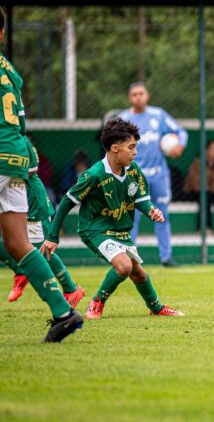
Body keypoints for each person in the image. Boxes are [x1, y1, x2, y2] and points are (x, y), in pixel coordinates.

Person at [41, 118, 183, 319]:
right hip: (95, 229)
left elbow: (141, 199)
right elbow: (66, 202)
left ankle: (156, 307)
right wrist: (53, 236)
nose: (135, 152)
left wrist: (151, 210)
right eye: (131, 147)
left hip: (120, 230)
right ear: (115, 148)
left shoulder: (133, 170)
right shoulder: (94, 175)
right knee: (124, 267)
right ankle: (97, 302)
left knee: (138, 273)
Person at [0, 7, 83, 342]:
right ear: (3, 34)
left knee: (17, 243)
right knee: (18, 242)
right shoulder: (10, 71)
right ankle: (63, 312)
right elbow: (19, 121)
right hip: (17, 155)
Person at [1, 137, 85, 307]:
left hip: (30, 199)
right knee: (13, 241)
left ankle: (71, 289)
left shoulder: (20, 141)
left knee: (41, 247)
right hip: (10, 194)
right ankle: (20, 271)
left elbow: (32, 171)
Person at [120, 82, 188, 267]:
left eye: (141, 93)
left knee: (162, 215)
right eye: (134, 94)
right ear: (130, 98)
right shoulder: (124, 119)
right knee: (132, 218)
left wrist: (179, 145)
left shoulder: (158, 115)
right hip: (134, 176)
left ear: (147, 95)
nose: (138, 97)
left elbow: (180, 131)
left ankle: (166, 257)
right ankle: (130, 258)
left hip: (159, 175)